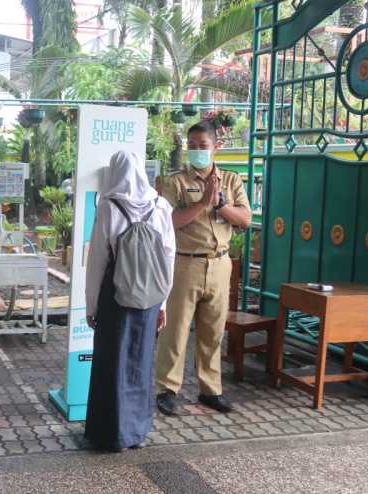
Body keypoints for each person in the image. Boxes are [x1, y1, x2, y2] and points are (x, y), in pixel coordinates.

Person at [155, 120, 251, 416]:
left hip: (220, 264)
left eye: (203, 146)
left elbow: (245, 219)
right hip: (186, 262)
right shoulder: (175, 182)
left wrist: (220, 204)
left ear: (215, 147)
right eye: (192, 146)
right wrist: (202, 203)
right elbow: (166, 222)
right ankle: (167, 389)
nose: (197, 151)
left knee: (213, 331)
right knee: (176, 329)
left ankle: (211, 390)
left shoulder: (232, 180)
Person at [84, 151, 176, 451]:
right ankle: (136, 431)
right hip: (149, 298)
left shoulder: (109, 207)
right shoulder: (161, 206)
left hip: (116, 297)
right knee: (140, 361)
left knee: (112, 362)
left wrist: (91, 306)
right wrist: (162, 303)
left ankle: (111, 433)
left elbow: (97, 260)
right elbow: (168, 257)